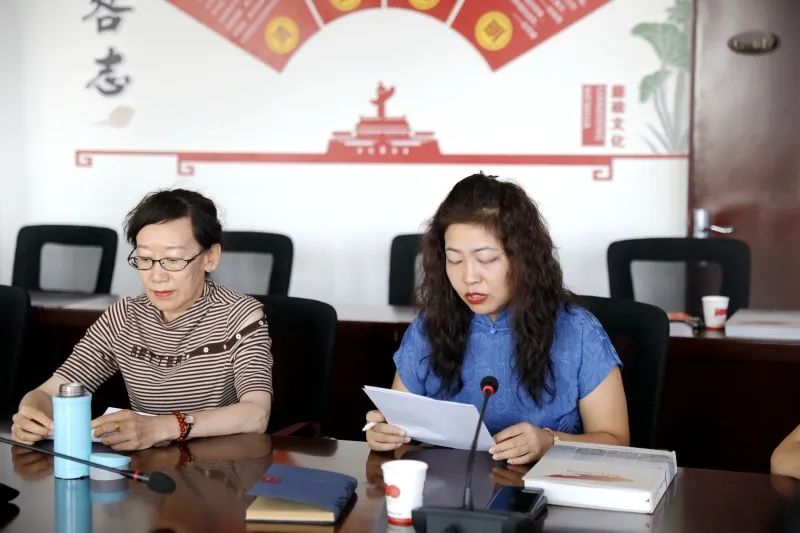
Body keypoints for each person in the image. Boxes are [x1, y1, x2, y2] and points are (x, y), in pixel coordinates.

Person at [366, 173, 629, 464]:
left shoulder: (578, 331)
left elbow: (618, 443)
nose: (469, 277)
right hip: (447, 487)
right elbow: (398, 422)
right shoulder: (429, 327)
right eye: (454, 259)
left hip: (543, 489)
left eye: (486, 259)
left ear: (523, 258)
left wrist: (551, 442)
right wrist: (384, 432)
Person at [11, 189, 273, 450]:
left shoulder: (240, 315)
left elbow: (256, 413)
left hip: (218, 465)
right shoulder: (123, 317)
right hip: (147, 466)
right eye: (145, 259)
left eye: (173, 259)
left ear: (210, 257)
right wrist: (31, 412)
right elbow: (52, 390)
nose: (156, 276)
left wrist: (161, 427)